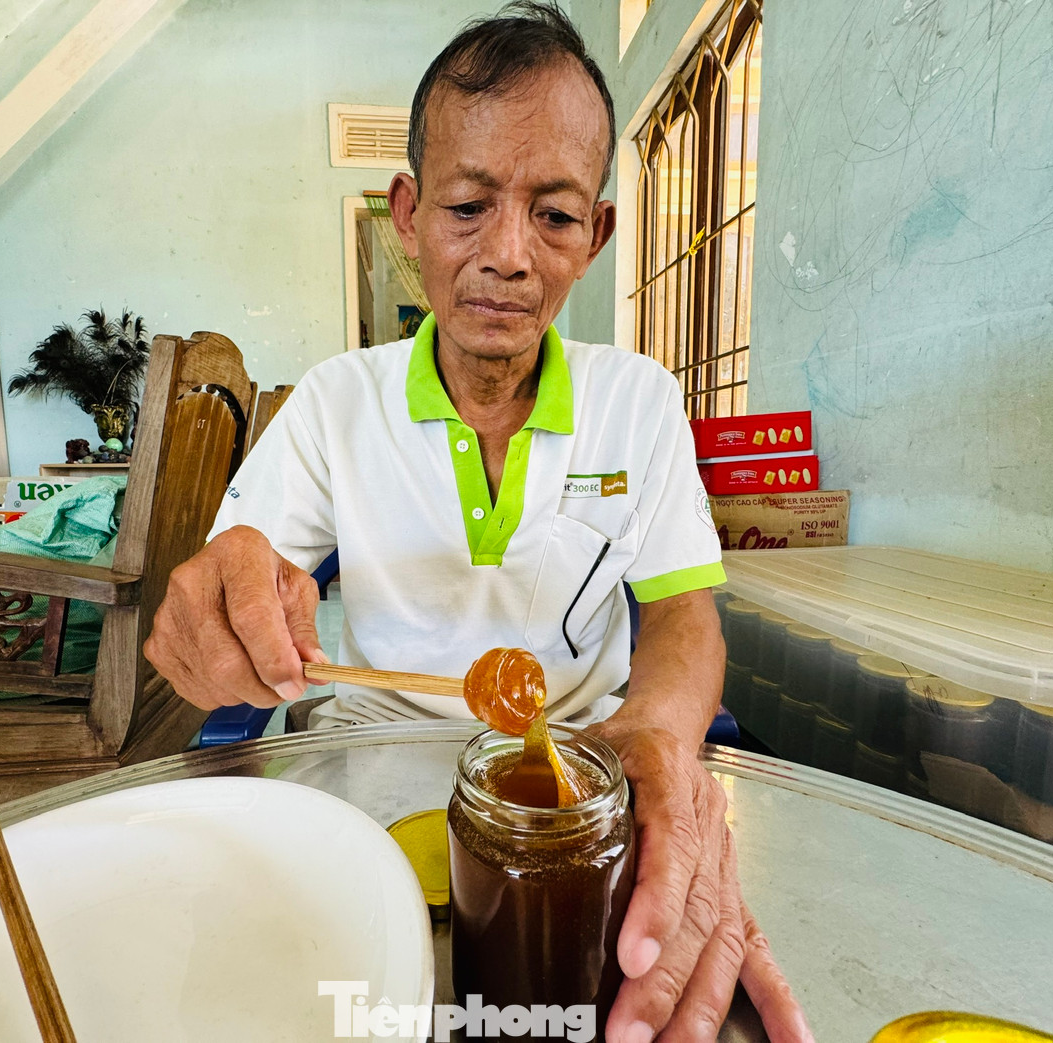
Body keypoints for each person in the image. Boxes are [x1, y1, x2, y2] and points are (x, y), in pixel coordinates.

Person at [146, 4, 812, 1040]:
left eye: (551, 215)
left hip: (579, 773)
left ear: (593, 235)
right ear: (406, 212)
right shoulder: (334, 401)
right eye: (467, 206)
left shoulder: (637, 400)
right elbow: (249, 557)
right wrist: (227, 600)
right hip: (371, 775)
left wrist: (656, 730)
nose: (506, 255)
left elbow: (685, 616)